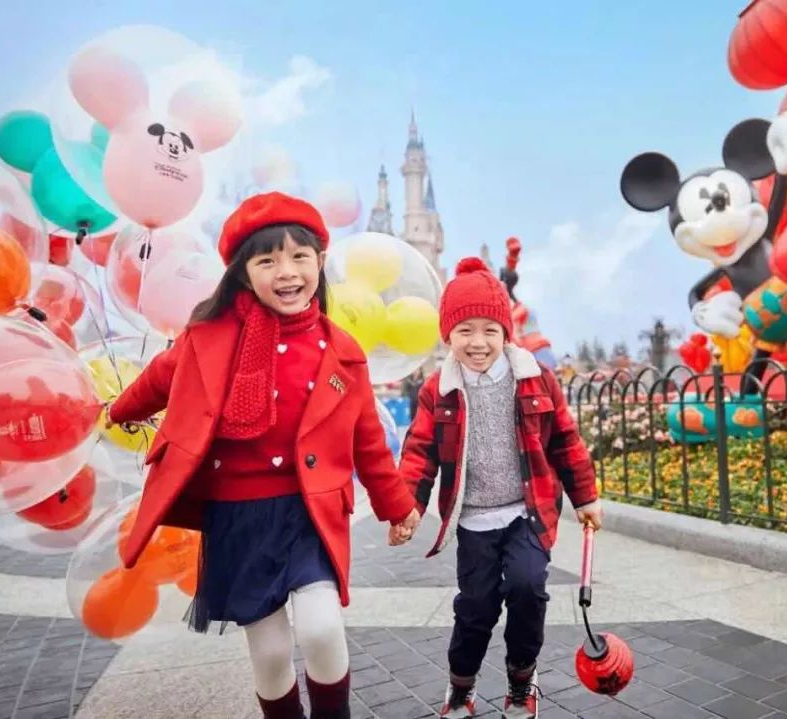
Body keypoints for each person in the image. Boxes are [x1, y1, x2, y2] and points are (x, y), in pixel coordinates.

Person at [106, 192, 421, 719]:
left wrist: (397, 506)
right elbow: (162, 378)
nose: (287, 271)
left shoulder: (342, 350)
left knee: (321, 627)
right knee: (271, 650)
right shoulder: (209, 336)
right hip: (239, 516)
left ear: (321, 262)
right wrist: (117, 410)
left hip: (309, 513)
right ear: (242, 271)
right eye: (267, 259)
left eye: (300, 256)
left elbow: (367, 438)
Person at [395, 257, 602, 719]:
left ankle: (521, 681)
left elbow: (566, 440)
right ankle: (461, 687)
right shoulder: (439, 389)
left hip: (526, 512)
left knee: (528, 589)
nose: (478, 342)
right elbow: (419, 452)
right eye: (465, 330)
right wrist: (407, 507)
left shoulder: (534, 378)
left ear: (506, 333)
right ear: (448, 335)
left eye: (490, 329)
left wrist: (585, 497)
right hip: (474, 520)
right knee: (476, 608)